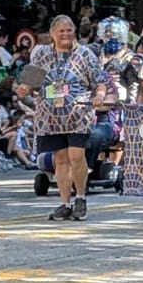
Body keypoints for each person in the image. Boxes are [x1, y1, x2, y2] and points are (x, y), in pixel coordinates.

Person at [30, 14, 107, 220]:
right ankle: (64, 203)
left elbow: (100, 81)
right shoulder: (41, 55)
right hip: (51, 116)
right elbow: (30, 82)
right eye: (61, 31)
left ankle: (80, 197)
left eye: (69, 30)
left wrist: (99, 95)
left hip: (78, 113)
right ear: (53, 34)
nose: (65, 34)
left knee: (75, 156)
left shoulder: (85, 54)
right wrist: (23, 88)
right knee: (60, 159)